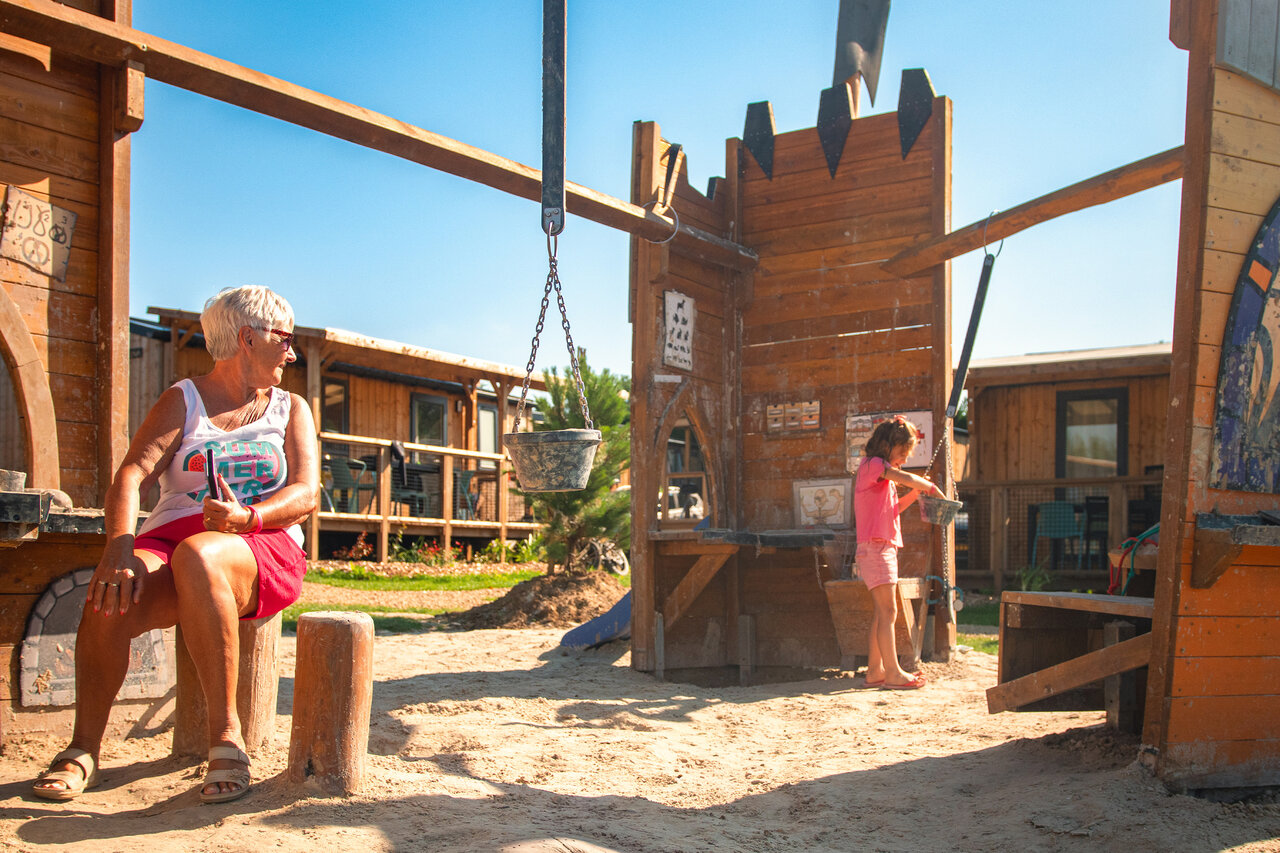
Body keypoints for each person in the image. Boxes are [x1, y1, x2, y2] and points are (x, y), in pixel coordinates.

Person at [31, 286, 318, 804]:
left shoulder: (290, 408)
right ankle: (83, 749)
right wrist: (118, 549)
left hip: (259, 541)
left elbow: (305, 493)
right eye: (285, 339)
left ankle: (226, 737)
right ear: (248, 338)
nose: (291, 352)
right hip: (172, 536)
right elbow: (131, 475)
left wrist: (248, 515)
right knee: (111, 594)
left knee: (200, 554)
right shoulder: (182, 398)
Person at [853, 417, 944, 690]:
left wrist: (915, 495)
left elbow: (893, 511)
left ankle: (875, 671)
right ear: (887, 445)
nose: (905, 458)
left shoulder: (881, 475)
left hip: (882, 547)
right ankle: (892, 673)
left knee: (882, 612)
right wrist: (928, 487)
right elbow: (903, 477)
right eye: (903, 451)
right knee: (889, 610)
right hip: (876, 548)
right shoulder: (875, 465)